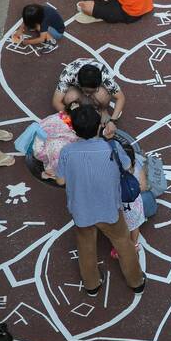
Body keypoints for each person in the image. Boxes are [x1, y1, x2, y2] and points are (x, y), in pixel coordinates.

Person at [56, 105, 146, 295]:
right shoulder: (111, 147)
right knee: (123, 243)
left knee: (86, 247)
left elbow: (60, 180)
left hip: (82, 211)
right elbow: (128, 166)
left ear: (73, 128)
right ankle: (136, 282)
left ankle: (92, 285)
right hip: (110, 209)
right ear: (99, 126)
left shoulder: (66, 152)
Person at [53, 58, 125, 132]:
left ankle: (102, 110)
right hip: (76, 90)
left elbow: (120, 98)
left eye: (91, 91)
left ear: (98, 84)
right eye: (86, 91)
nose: (87, 95)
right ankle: (77, 110)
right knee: (69, 98)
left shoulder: (105, 76)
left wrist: (112, 121)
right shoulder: (68, 74)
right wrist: (72, 118)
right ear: (79, 84)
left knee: (103, 95)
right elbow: (56, 102)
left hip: (93, 88)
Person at [110, 144, 147, 259]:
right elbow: (143, 186)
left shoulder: (112, 174)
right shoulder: (136, 168)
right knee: (135, 226)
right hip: (134, 204)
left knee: (120, 229)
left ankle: (120, 247)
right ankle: (134, 243)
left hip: (119, 208)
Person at [31, 108, 80, 179]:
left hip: (41, 142)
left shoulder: (63, 116)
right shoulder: (70, 130)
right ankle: (51, 171)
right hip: (42, 150)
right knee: (59, 150)